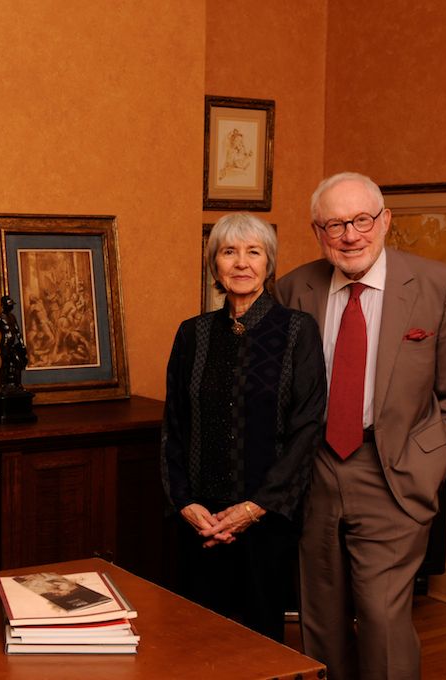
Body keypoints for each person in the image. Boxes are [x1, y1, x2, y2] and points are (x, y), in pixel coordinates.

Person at [275, 172, 446, 679]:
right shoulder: (294, 288)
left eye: (361, 220)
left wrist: (426, 467)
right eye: (335, 224)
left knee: (383, 617)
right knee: (320, 617)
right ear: (318, 232)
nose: (350, 235)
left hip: (393, 471)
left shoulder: (438, 286)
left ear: (385, 221)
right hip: (315, 470)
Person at [160, 212, 326, 642]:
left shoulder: (298, 331)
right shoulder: (192, 334)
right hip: (201, 520)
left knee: (259, 642)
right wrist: (185, 503)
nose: (241, 263)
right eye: (228, 252)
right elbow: (174, 426)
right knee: (199, 637)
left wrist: (254, 509)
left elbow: (307, 428)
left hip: (267, 519)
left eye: (253, 252)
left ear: (268, 263)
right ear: (214, 264)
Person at [0, 295, 28, 391]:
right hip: (5, 345)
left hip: (13, 344)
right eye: (10, 305)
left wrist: (22, 343)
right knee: (5, 364)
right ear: (4, 305)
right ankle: (3, 384)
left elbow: (17, 332)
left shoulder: (12, 317)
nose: (11, 307)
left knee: (18, 362)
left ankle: (18, 384)